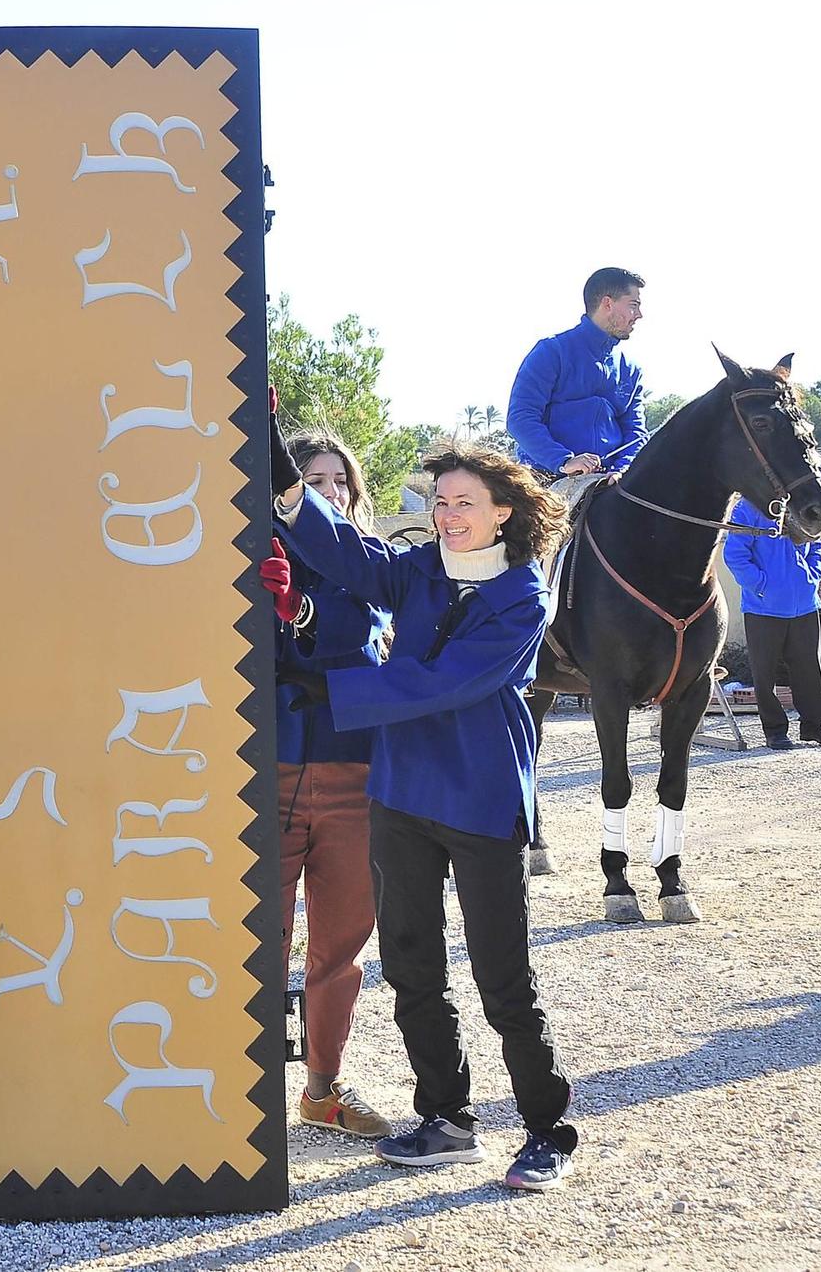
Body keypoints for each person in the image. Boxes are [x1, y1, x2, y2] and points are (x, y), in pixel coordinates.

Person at [265, 416, 582, 1191]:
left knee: (503, 978)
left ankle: (547, 1130)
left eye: (463, 501)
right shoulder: (418, 572)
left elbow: (442, 682)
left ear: (502, 509)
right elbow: (346, 550)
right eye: (439, 500)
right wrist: (276, 458)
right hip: (401, 793)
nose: (447, 514)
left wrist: (326, 687)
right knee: (412, 966)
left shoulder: (520, 596)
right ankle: (447, 1118)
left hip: (477, 798)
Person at [258, 427, 394, 1138]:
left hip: (352, 770)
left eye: (341, 481)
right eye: (314, 478)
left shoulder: (371, 564)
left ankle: (321, 1087)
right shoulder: (254, 553)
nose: (331, 491)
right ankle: (232, 1097)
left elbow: (358, 632)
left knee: (340, 942)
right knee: (256, 938)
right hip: (267, 771)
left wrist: (302, 614)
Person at [507, 267, 648, 485]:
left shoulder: (631, 370)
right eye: (633, 306)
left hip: (611, 480)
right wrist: (564, 460)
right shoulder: (551, 351)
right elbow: (521, 418)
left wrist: (624, 468)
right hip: (546, 478)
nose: (639, 315)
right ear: (607, 303)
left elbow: (636, 431)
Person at [723, 497, 821, 749]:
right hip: (763, 608)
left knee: (809, 668)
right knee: (764, 674)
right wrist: (762, 586)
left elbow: (816, 543)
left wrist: (811, 578)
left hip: (805, 604)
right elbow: (734, 554)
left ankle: (813, 726)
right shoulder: (747, 509)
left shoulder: (801, 503)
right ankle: (775, 731)